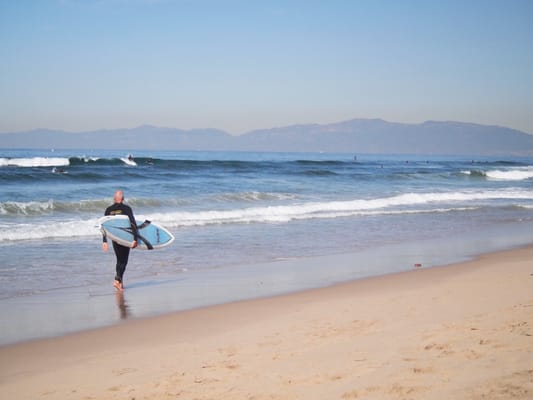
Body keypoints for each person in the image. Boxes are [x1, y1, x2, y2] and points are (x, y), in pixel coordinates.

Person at [102, 190, 138, 291]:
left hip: (115, 238)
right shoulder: (126, 208)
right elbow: (133, 223)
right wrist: (135, 238)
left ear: (114, 198)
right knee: (124, 261)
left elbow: (104, 226)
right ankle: (117, 279)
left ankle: (120, 283)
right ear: (123, 198)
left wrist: (104, 241)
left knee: (119, 260)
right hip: (125, 237)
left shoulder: (108, 209)